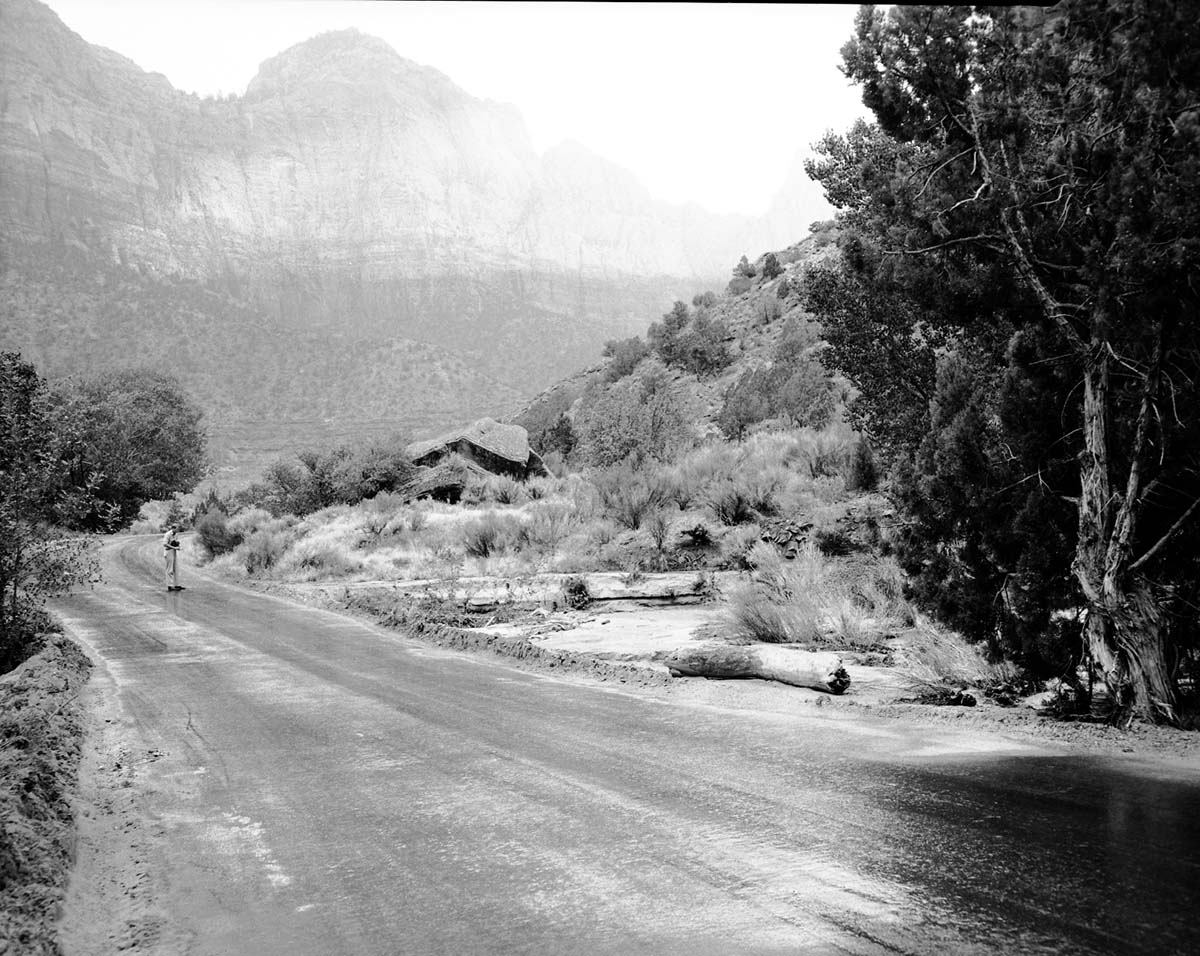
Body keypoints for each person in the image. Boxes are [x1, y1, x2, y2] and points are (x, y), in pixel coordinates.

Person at [163, 524, 184, 591]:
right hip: (168, 552)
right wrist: (174, 547)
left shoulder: (176, 534)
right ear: (173, 528)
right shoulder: (168, 534)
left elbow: (174, 542)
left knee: (176, 568)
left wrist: (177, 544)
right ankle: (170, 585)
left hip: (173, 551)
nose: (178, 530)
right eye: (177, 528)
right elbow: (165, 544)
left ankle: (177, 585)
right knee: (170, 569)